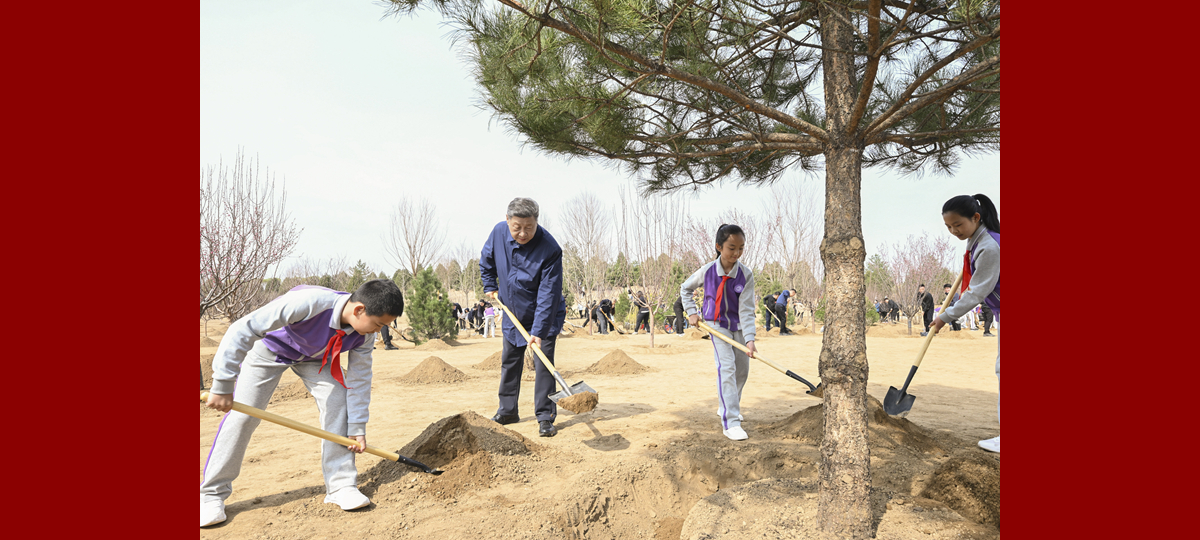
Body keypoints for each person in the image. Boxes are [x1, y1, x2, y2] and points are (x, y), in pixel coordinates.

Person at [200, 279, 404, 527]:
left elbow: (360, 380)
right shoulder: (309, 302)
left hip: (315, 359)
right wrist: (222, 384)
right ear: (359, 309)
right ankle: (211, 496)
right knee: (243, 416)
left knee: (338, 401)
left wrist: (357, 427)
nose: (377, 331)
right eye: (378, 324)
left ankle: (341, 486)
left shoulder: (365, 336)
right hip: (269, 350)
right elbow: (242, 328)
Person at [480, 197, 566, 438]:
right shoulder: (498, 233)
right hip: (513, 311)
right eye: (517, 227)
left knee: (543, 364)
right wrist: (489, 284)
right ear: (507, 220)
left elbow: (548, 294)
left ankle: (545, 417)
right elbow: (486, 260)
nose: (523, 233)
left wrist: (538, 331)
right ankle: (507, 411)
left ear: (536, 222)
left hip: (545, 314)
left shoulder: (550, 248)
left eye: (529, 227)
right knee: (509, 361)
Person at [931, 193, 1001, 453]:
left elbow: (976, 293)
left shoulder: (989, 247)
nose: (953, 231)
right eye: (948, 227)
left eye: (958, 224)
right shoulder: (979, 242)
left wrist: (945, 316)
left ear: (976, 217)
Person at [681, 224, 758, 441]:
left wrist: (750, 339)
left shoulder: (745, 275)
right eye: (731, 248)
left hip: (739, 326)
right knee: (727, 368)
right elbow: (685, 288)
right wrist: (691, 312)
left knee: (742, 371)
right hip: (716, 325)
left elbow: (747, 310)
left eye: (741, 248)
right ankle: (730, 422)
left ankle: (728, 404)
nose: (736, 253)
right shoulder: (707, 271)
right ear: (719, 247)